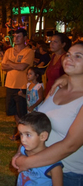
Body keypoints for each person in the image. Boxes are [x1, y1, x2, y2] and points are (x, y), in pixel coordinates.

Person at [13, 41, 83, 185]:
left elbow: (71, 145)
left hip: (67, 173)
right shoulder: (56, 88)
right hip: (38, 166)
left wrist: (27, 162)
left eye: (78, 56)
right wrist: (21, 152)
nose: (69, 58)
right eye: (68, 54)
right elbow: (36, 124)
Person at [1, 29, 34, 141]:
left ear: (25, 38)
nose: (16, 38)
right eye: (15, 36)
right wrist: (15, 65)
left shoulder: (28, 52)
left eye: (19, 36)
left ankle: (25, 134)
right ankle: (20, 133)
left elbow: (22, 67)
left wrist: (10, 63)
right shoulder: (9, 51)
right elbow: (3, 66)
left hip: (22, 86)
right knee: (14, 112)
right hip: (10, 85)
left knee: (22, 112)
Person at [16, 112, 63, 185]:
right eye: (21, 134)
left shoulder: (53, 163)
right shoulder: (23, 150)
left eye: (28, 135)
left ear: (43, 136)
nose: (22, 140)